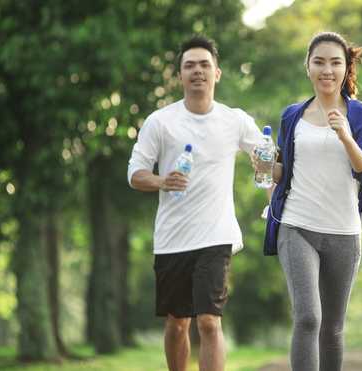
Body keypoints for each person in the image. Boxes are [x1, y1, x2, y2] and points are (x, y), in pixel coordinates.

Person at [127, 35, 262, 371]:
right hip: (173, 237)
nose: (197, 71)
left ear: (217, 73)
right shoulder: (161, 121)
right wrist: (162, 180)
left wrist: (272, 165)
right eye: (190, 65)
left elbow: (266, 158)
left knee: (209, 322)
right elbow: (135, 173)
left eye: (205, 65)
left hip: (217, 235)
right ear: (180, 75)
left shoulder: (235, 120)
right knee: (177, 323)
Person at [260, 32, 362, 371]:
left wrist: (345, 135)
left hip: (344, 232)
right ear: (308, 67)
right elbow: (284, 168)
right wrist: (268, 166)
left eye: (335, 62)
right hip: (297, 227)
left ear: (346, 69)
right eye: (319, 61)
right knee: (309, 318)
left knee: (333, 326)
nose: (327, 69)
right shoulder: (292, 116)